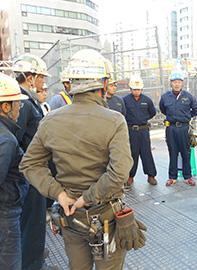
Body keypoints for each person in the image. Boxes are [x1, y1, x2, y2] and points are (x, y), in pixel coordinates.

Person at [19, 49, 147, 270]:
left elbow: (29, 164)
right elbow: (119, 173)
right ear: (104, 82)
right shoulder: (114, 120)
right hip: (106, 215)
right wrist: (88, 198)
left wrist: (59, 193)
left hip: (70, 216)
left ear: (71, 83)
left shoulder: (51, 120)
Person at [13, 54, 55, 270]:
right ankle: (33, 264)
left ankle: (35, 258)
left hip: (30, 172)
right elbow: (15, 140)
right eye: (40, 77)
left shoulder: (24, 100)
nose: (42, 82)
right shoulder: (24, 103)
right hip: (30, 175)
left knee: (30, 222)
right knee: (33, 223)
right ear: (30, 77)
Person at [0, 73, 29, 270]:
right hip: (5, 215)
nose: (20, 108)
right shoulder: (6, 140)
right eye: (18, 104)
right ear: (6, 107)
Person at [159, 71, 197, 186]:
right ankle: (172, 177)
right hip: (171, 128)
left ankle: (187, 176)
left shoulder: (188, 96)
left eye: (179, 82)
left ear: (182, 83)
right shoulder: (165, 97)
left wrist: (187, 116)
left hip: (184, 128)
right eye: (174, 82)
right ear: (171, 84)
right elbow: (163, 109)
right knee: (172, 152)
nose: (176, 84)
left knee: (185, 152)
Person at [123, 76, 158, 189]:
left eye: (138, 89)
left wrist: (143, 119)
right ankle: (130, 176)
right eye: (134, 89)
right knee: (131, 154)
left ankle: (151, 175)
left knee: (146, 152)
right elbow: (122, 113)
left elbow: (152, 112)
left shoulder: (147, 100)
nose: (136, 91)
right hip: (131, 131)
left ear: (141, 89)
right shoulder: (125, 100)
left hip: (143, 130)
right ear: (130, 89)